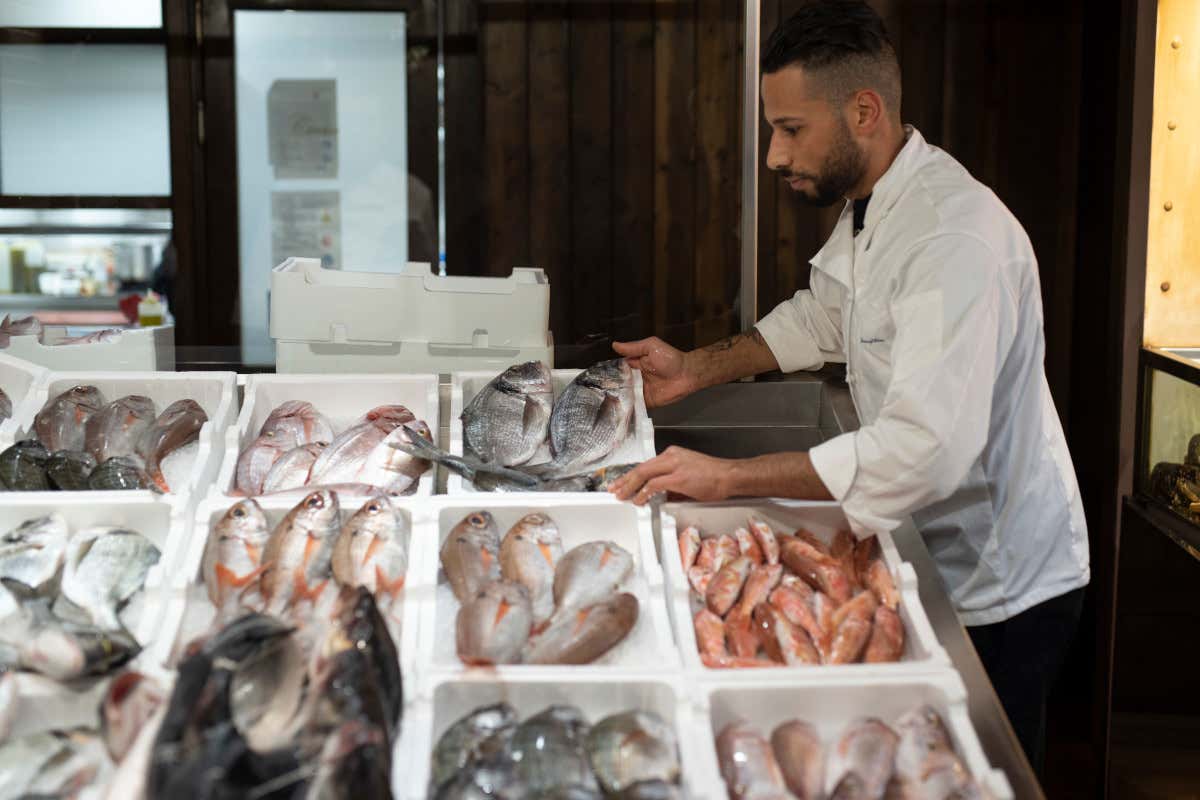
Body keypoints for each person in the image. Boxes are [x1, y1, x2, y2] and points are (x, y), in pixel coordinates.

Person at [608, 0, 1089, 776]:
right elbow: (823, 316)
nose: (774, 154)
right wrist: (695, 368)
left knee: (966, 772)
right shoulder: (875, 204)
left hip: (1001, 579)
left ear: (864, 111)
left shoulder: (953, 240)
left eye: (791, 129)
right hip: (926, 540)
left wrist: (728, 477)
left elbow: (920, 452)